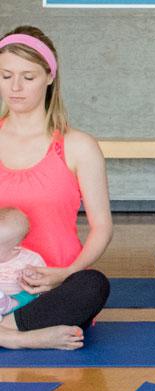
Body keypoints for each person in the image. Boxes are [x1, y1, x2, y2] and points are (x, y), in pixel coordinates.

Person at [0, 26, 112, 350]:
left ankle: (8, 332)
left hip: (54, 291)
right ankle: (22, 339)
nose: (15, 87)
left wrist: (65, 273)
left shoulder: (78, 146)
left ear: (49, 76)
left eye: (28, 77)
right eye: (6, 76)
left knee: (93, 284)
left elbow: (102, 227)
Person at [0, 208, 44, 314]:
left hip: (19, 302)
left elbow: (42, 285)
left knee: (33, 298)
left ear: (16, 247)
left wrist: (33, 277)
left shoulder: (30, 260)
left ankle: (8, 306)